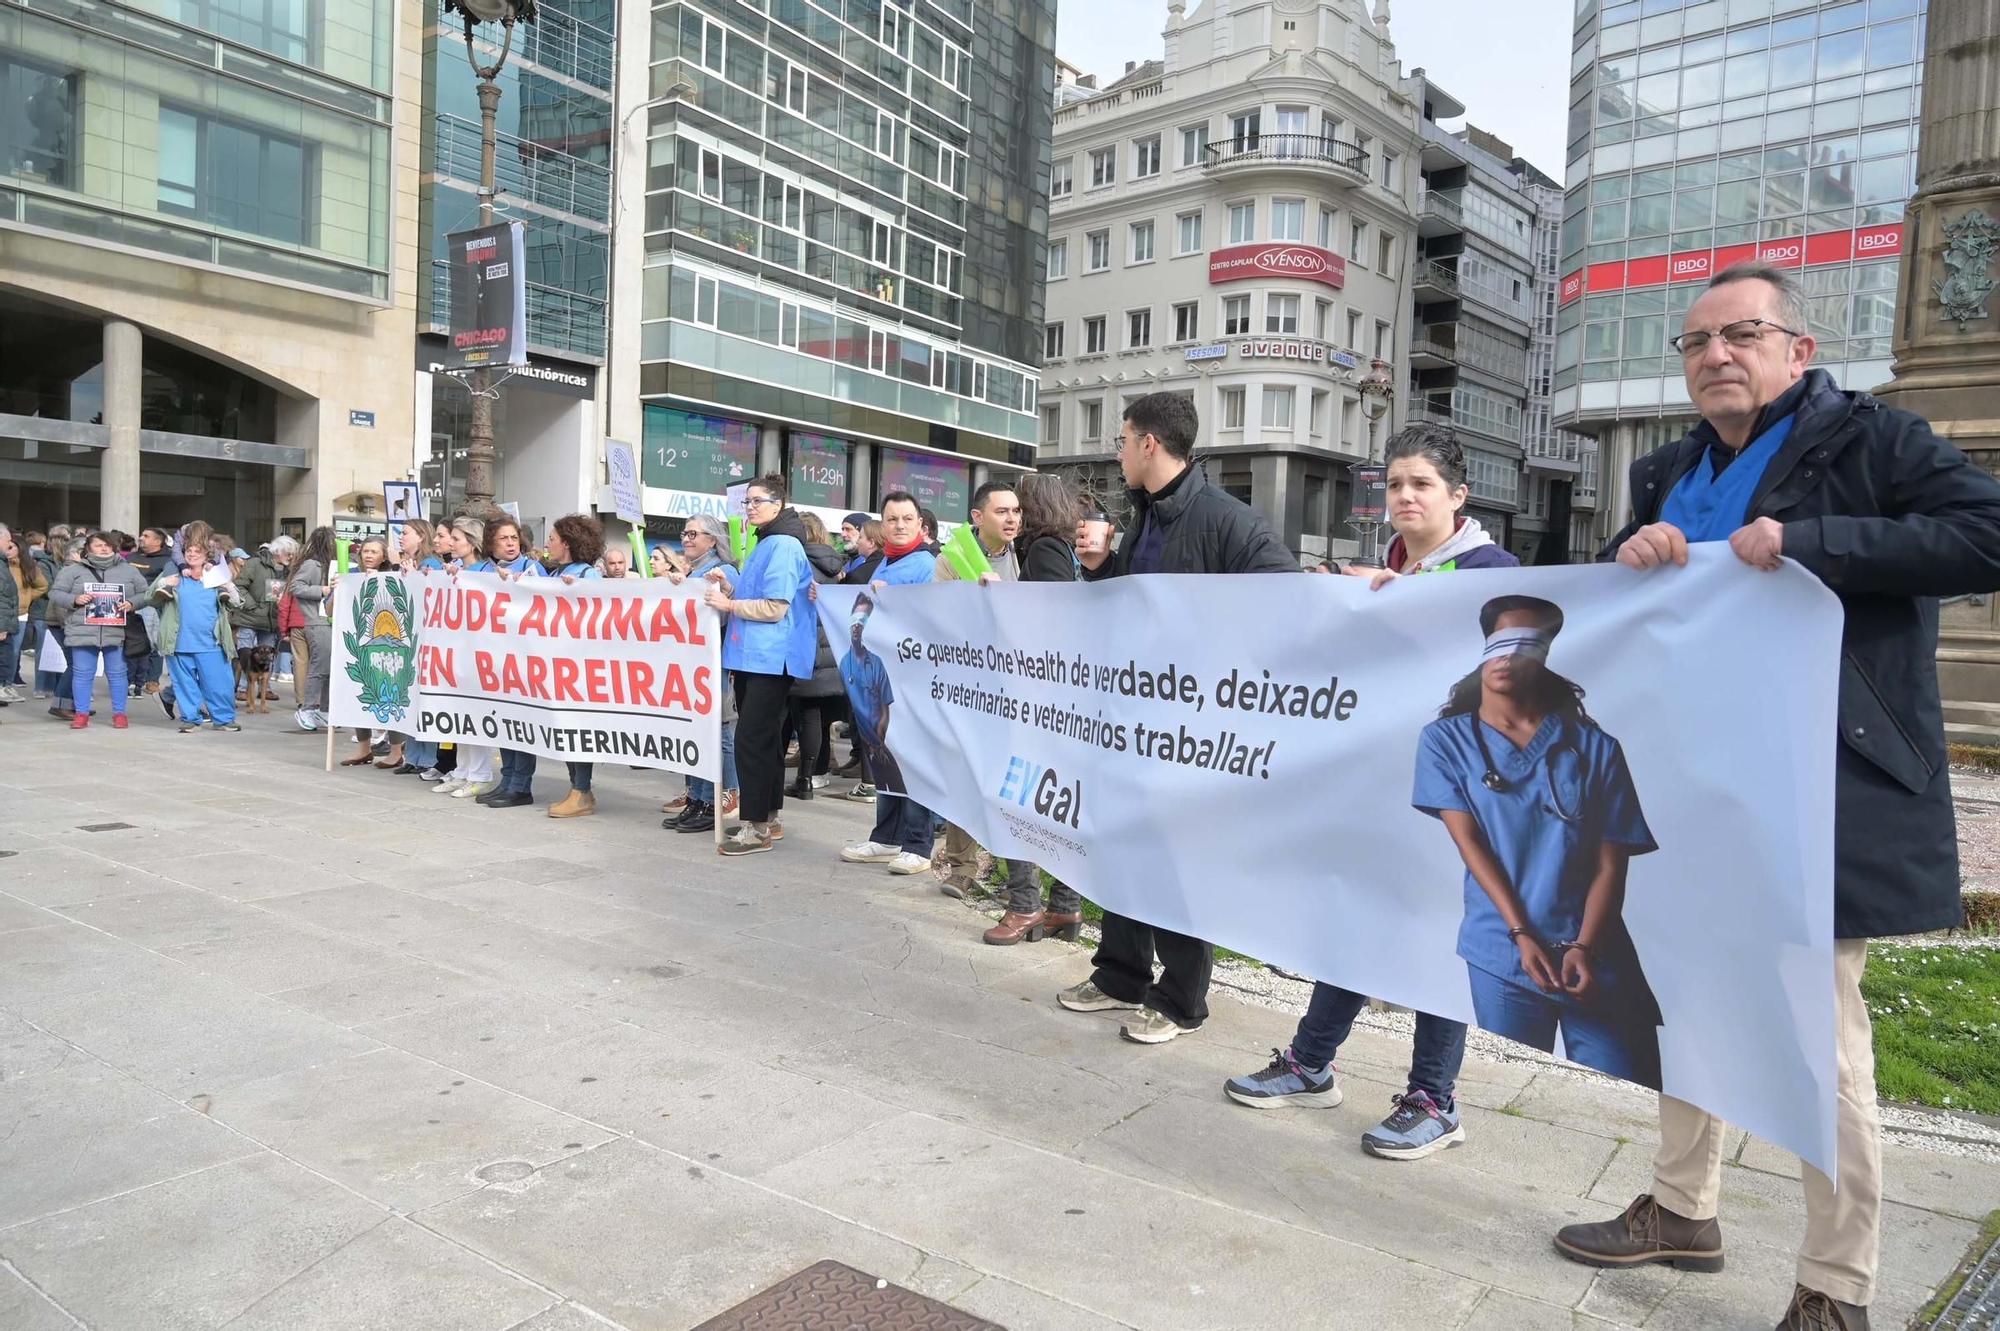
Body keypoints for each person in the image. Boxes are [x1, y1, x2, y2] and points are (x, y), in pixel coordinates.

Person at [1550, 262, 2000, 1331]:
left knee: (1816, 1040)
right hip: (1689, 787)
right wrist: (1628, 554)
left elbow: (1984, 534)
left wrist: (1810, 544)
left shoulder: (1870, 441)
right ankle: (1679, 1206)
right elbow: (1637, 614)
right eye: (1696, 342)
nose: (1714, 355)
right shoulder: (1663, 469)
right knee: (1684, 1000)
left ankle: (1834, 1285)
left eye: (1739, 334)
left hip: (1816, 791)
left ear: (1795, 348)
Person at [1223, 424, 1516, 1158]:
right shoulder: (1384, 570)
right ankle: (1312, 1059)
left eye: (1422, 483)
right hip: (1379, 786)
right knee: (1355, 918)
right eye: (1395, 484)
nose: (1406, 496)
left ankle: (1434, 1098)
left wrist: (1404, 606)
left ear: (1458, 495)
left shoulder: (1491, 566)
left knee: (1435, 939)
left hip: (1459, 795)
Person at [1057, 391, 1296, 1045]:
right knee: (1125, 846)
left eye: (1123, 438)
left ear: (1148, 444)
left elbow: (1288, 598)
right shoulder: (1144, 518)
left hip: (1189, 728)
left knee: (1178, 859)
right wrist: (1105, 567)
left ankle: (1181, 997)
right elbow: (1133, 612)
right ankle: (1121, 974)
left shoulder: (1226, 521)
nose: (1118, 451)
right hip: (1134, 720)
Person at [1417, 596, 1662, 1088]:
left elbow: (1610, 864)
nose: (1506, 658)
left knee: (1624, 1101)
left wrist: (1586, 948)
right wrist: (1521, 935)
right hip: (1502, 952)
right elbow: (1471, 845)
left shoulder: (1596, 748)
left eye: (1523, 647)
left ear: (1545, 657)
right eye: (1499, 645)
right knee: (1509, 1098)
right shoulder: (1444, 741)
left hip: (1595, 954)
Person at [979, 472, 1089, 945]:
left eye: (1020, 508)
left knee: (1016, 798)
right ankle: (1065, 907)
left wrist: (1002, 600)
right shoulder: (1065, 550)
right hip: (1061, 700)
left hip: (1037, 699)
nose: (1015, 517)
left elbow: (1045, 621)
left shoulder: (1043, 551)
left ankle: (1024, 906)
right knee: (1060, 804)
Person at [705, 475, 816, 855]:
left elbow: (775, 607)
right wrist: (732, 588)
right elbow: (762, 599)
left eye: (757, 501)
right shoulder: (770, 540)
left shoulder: (782, 544)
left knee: (751, 740)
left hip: (770, 657)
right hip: (760, 656)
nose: (749, 507)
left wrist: (729, 605)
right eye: (747, 502)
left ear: (778, 504)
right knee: (764, 741)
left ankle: (756, 828)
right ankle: (767, 817)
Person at [838, 491, 941, 874]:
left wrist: (895, 601)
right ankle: (885, 838)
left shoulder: (926, 564)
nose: (899, 525)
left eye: (906, 519)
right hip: (886, 682)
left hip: (915, 682)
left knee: (913, 762)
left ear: (919, 524)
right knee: (886, 758)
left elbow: (932, 617)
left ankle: (918, 843)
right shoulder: (883, 564)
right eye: (892, 519)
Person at [930, 482, 1025, 895]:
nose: (1012, 519)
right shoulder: (952, 560)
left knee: (1011, 784)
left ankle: (1015, 876)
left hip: (1019, 688)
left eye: (1016, 511)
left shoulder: (1030, 554)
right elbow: (939, 619)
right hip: (972, 690)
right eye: (1002, 511)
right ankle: (962, 869)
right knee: (966, 776)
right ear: (977, 517)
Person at [663, 515, 739, 832]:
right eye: (685, 532)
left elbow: (721, 617)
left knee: (718, 733)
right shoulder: (692, 572)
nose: (686, 538)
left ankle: (713, 800)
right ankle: (696, 798)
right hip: (692, 666)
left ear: (713, 539)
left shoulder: (724, 571)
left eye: (694, 533)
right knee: (694, 731)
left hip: (715, 665)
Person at [49, 531, 149, 728]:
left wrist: (131, 603)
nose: (104, 549)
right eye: (98, 545)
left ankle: (119, 714)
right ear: (88, 548)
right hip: (82, 630)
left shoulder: (128, 570)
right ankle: (81, 714)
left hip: (117, 631)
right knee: (82, 674)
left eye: (108, 545)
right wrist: (74, 600)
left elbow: (146, 593)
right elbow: (55, 593)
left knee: (118, 674)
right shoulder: (73, 570)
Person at [144, 535, 242, 733]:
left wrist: (228, 585)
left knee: (219, 684)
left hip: (212, 643)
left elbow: (237, 603)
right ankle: (190, 719)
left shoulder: (215, 578)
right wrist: (162, 582)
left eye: (197, 551)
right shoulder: (174, 576)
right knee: (184, 685)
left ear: (208, 555)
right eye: (188, 551)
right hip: (179, 643)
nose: (192, 554)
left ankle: (224, 719)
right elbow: (150, 599)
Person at [481, 515, 547, 809]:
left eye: (513, 538)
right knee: (503, 722)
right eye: (503, 539)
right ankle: (507, 779)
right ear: (491, 544)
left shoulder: (532, 568)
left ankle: (521, 785)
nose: (510, 543)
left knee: (521, 724)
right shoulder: (483, 570)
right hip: (496, 657)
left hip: (524, 657)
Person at [431, 517, 499, 799]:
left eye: (457, 539)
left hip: (479, 650)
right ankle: (462, 771)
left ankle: (480, 774)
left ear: (471, 542)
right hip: (456, 649)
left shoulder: (489, 572)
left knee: (475, 714)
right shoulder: (455, 569)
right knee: (459, 714)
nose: (452, 543)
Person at [544, 513, 606, 819]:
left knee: (576, 728)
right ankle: (577, 787)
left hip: (578, 666)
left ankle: (581, 789)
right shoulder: (557, 574)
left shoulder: (587, 575)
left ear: (566, 544)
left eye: (553, 539)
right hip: (559, 663)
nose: (548, 544)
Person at [784, 514, 848, 801]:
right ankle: (811, 774)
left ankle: (805, 779)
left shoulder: (799, 562)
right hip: (830, 652)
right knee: (818, 718)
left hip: (805, 648)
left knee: (804, 716)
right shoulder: (836, 565)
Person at [338, 537, 396, 767]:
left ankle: (396, 750)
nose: (369, 555)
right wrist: (337, 590)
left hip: (385, 642)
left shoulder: (392, 575)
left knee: (390, 695)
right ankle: (364, 747)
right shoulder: (351, 575)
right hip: (358, 642)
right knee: (357, 692)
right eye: (365, 551)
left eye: (374, 551)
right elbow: (331, 607)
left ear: (384, 556)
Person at [288, 526, 335, 734]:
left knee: (330, 667)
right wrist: (321, 590)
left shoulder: (331, 565)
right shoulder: (311, 564)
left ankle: (324, 709)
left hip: (330, 620)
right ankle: (307, 708)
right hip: (317, 620)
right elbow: (295, 587)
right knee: (320, 666)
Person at [230, 543, 282, 710]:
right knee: (244, 655)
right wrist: (251, 605)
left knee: (268, 654)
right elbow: (239, 585)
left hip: (270, 619)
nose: (289, 557)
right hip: (249, 616)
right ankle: (243, 688)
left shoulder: (283, 569)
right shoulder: (254, 563)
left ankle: (264, 688)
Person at [839, 519, 884, 587]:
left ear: (871, 543)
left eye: (860, 537)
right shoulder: (890, 563)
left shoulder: (860, 574)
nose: (857, 541)